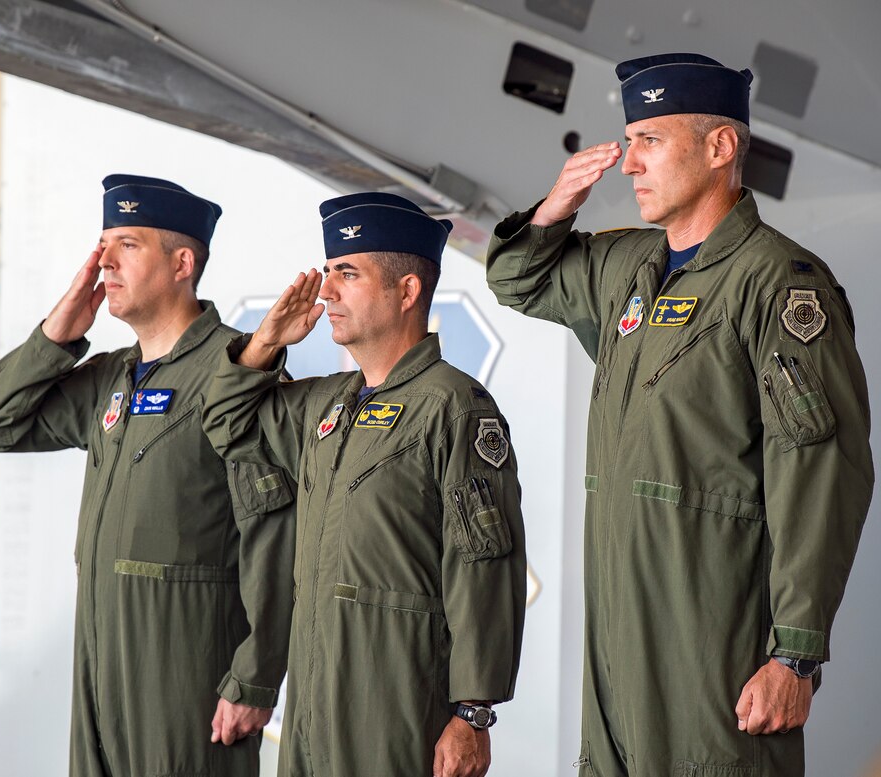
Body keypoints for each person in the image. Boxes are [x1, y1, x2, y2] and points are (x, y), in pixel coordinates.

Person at [486, 53, 873, 776]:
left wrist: (796, 651)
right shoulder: (624, 267)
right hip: (616, 650)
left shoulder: (780, 286)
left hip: (712, 647)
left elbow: (820, 473)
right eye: (628, 141)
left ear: (720, 147)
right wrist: (555, 209)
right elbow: (515, 278)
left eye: (650, 140)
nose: (629, 163)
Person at [0, 174, 296, 777]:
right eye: (102, 243)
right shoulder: (109, 378)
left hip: (186, 668)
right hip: (99, 665)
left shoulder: (238, 371)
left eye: (127, 243)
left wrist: (254, 675)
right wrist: (60, 330)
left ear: (181, 262)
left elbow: (274, 532)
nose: (104, 261)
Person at [201, 192, 527, 777]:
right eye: (328, 273)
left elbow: (483, 565)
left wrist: (472, 713)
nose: (326, 291)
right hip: (313, 701)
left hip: (400, 705)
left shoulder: (454, 408)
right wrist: (266, 341)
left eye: (347, 274)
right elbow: (228, 424)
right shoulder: (324, 404)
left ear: (406, 292)